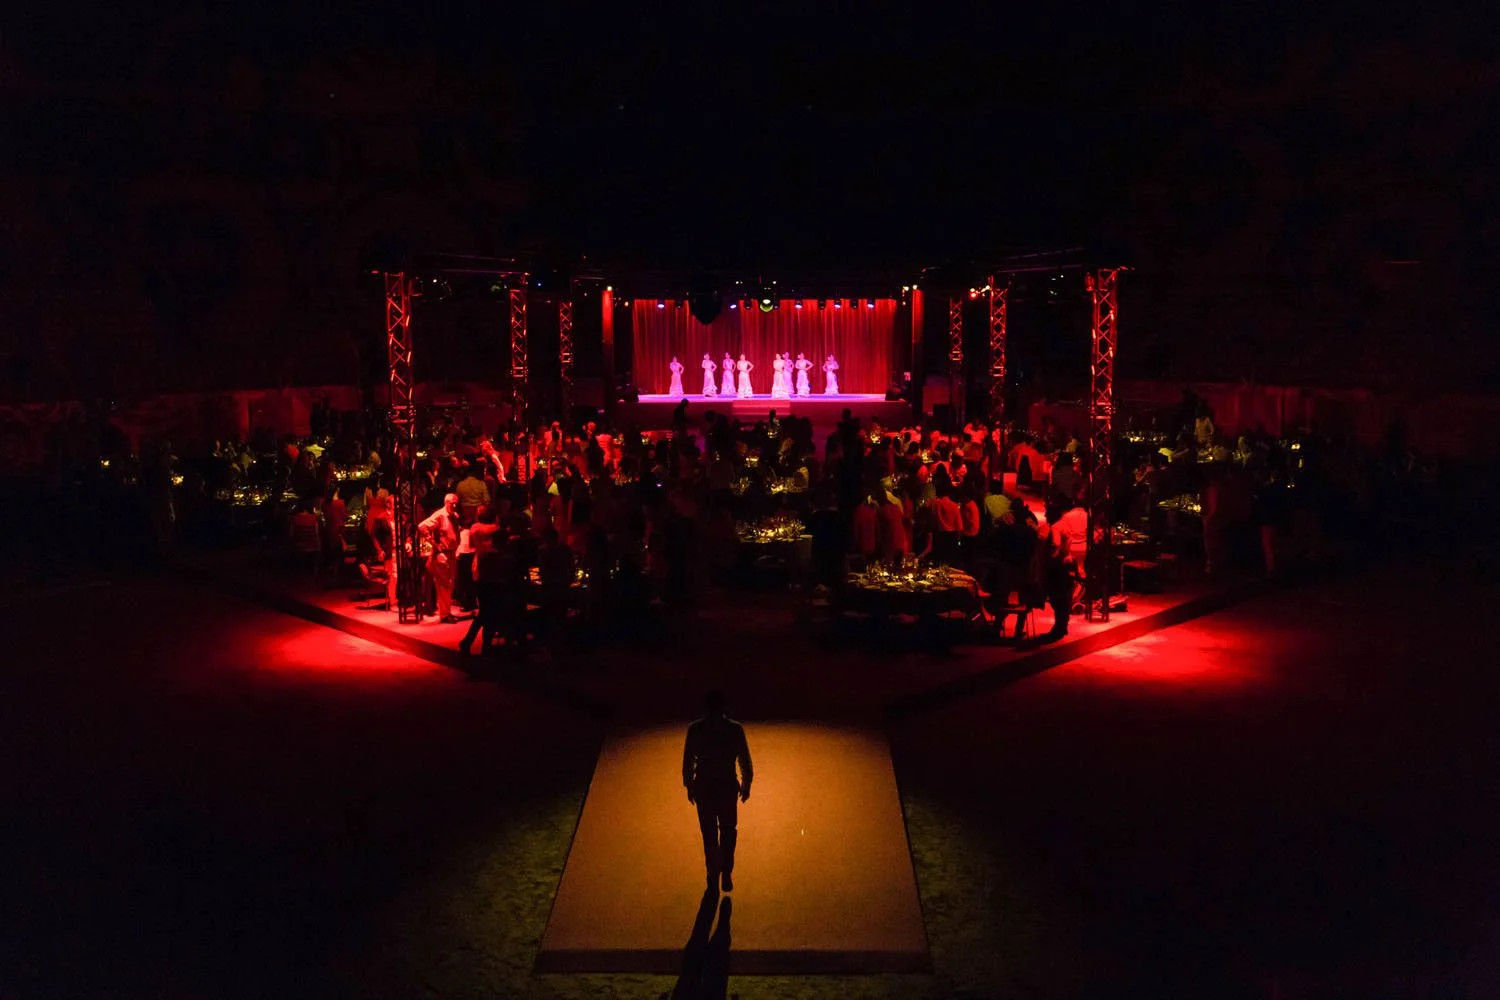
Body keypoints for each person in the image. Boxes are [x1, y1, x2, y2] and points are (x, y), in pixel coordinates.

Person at [683, 690, 753, 894]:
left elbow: (688, 761)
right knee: (729, 831)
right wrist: (746, 784)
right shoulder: (734, 730)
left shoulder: (696, 730)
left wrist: (689, 785)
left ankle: (713, 874)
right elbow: (744, 760)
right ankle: (725, 872)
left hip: (705, 787)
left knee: (710, 834)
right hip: (726, 786)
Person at [419, 492, 462, 622]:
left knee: (450, 584)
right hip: (442, 554)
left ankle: (446, 611)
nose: (454, 505)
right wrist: (435, 544)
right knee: (443, 584)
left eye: (456, 503)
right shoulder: (440, 515)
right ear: (446, 503)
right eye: (452, 503)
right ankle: (444, 614)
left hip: (452, 553)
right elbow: (422, 526)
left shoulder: (454, 516)